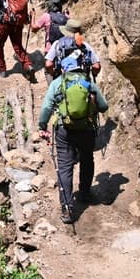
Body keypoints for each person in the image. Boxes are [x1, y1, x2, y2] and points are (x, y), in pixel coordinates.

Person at [38, 54, 108, 224]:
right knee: (87, 160)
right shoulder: (87, 82)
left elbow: (47, 106)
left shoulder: (57, 83)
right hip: (86, 130)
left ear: (63, 69)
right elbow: (104, 106)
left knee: (65, 166)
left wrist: (42, 125)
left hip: (64, 131)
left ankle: (68, 208)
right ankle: (84, 193)